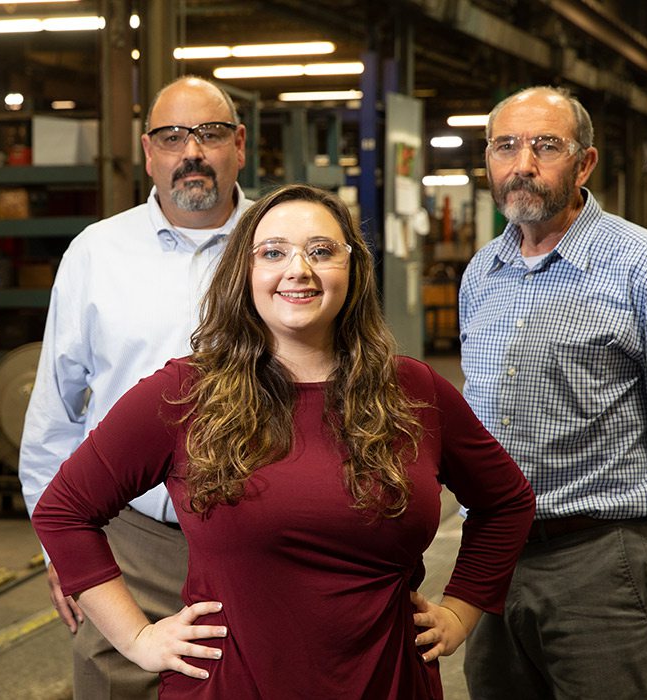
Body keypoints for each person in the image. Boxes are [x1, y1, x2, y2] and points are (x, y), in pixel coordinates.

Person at [31, 184, 536, 699]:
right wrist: (137, 637)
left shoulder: (412, 390)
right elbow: (64, 510)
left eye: (322, 251)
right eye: (273, 252)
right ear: (243, 274)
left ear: (354, 268)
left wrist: (460, 610)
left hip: (389, 681)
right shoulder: (185, 394)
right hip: (236, 685)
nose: (299, 269)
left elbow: (506, 500)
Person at [459, 86, 647, 699]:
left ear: (584, 163)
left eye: (545, 146)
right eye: (505, 146)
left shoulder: (646, 265)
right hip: (492, 559)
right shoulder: (482, 271)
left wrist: (642, 562)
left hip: (598, 557)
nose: (522, 164)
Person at [18, 75, 250, 699]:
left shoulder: (282, 247)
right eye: (172, 137)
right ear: (149, 153)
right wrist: (59, 551)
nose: (192, 152)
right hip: (130, 542)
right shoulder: (98, 253)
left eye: (210, 133)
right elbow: (54, 416)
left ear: (240, 145)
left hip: (258, 538)